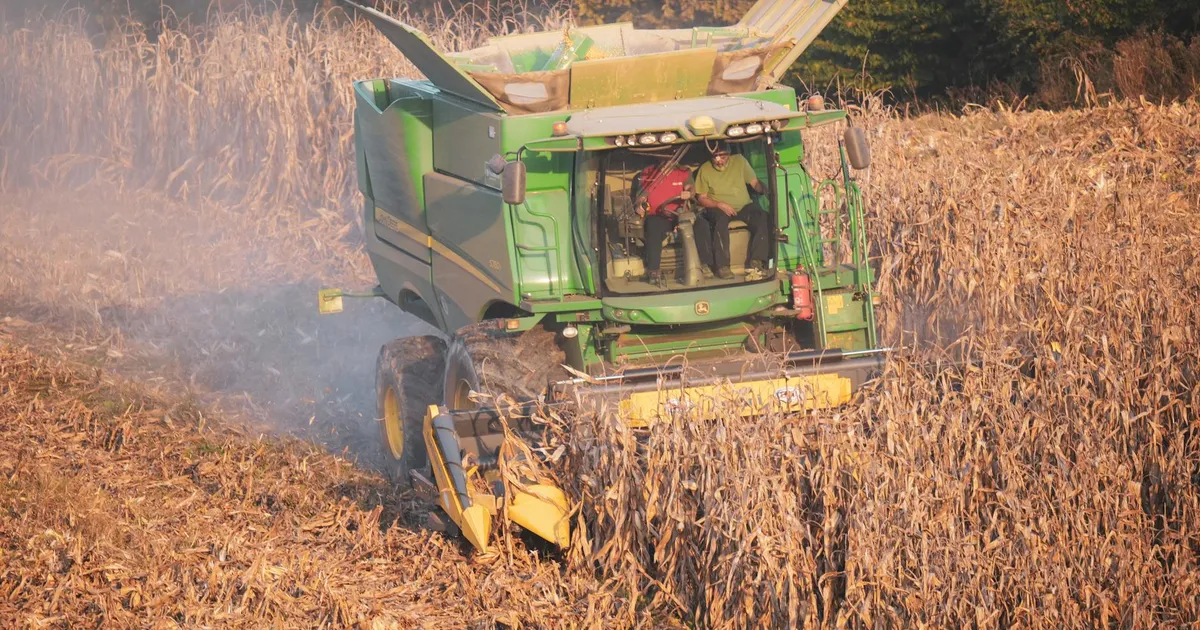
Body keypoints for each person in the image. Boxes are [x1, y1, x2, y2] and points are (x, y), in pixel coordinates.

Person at [693, 142, 771, 280]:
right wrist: (719, 204)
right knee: (720, 220)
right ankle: (723, 266)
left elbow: (754, 183)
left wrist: (765, 189)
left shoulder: (740, 161)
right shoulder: (704, 169)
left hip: (743, 206)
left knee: (761, 216)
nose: (718, 160)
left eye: (722, 156)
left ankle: (757, 262)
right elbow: (702, 198)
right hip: (717, 208)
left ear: (728, 154)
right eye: (715, 156)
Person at [632, 158, 714, 287]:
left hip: (681, 214)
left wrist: (689, 192)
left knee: (701, 225)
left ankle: (703, 265)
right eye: (664, 157)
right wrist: (641, 204)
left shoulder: (684, 171)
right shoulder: (648, 173)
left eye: (671, 157)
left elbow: (690, 187)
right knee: (652, 226)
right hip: (659, 215)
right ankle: (653, 270)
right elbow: (642, 195)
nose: (667, 161)